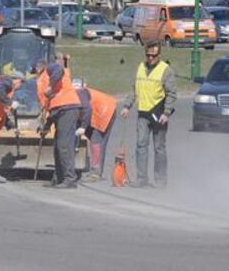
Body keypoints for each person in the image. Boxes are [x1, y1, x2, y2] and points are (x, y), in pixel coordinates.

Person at [121, 41, 177, 188]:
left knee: (159, 148)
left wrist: (166, 113)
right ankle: (141, 179)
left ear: (159, 55)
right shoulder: (140, 67)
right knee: (141, 145)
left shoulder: (166, 70)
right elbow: (134, 89)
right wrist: (127, 106)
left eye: (153, 55)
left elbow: (171, 94)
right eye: (148, 55)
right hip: (143, 114)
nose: (150, 58)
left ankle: (160, 180)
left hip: (158, 114)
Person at [36, 54, 80, 189]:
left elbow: (59, 71)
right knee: (57, 146)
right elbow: (49, 105)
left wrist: (50, 86)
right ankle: (58, 177)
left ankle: (69, 179)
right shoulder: (40, 79)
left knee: (64, 144)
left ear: (39, 67)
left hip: (67, 107)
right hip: (58, 110)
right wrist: (46, 125)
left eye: (34, 69)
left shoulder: (50, 69)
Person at [76, 85, 118, 181]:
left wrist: (83, 127)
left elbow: (87, 110)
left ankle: (96, 172)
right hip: (96, 110)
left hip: (105, 109)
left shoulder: (79, 93)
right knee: (95, 140)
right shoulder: (70, 95)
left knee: (97, 140)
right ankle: (96, 169)